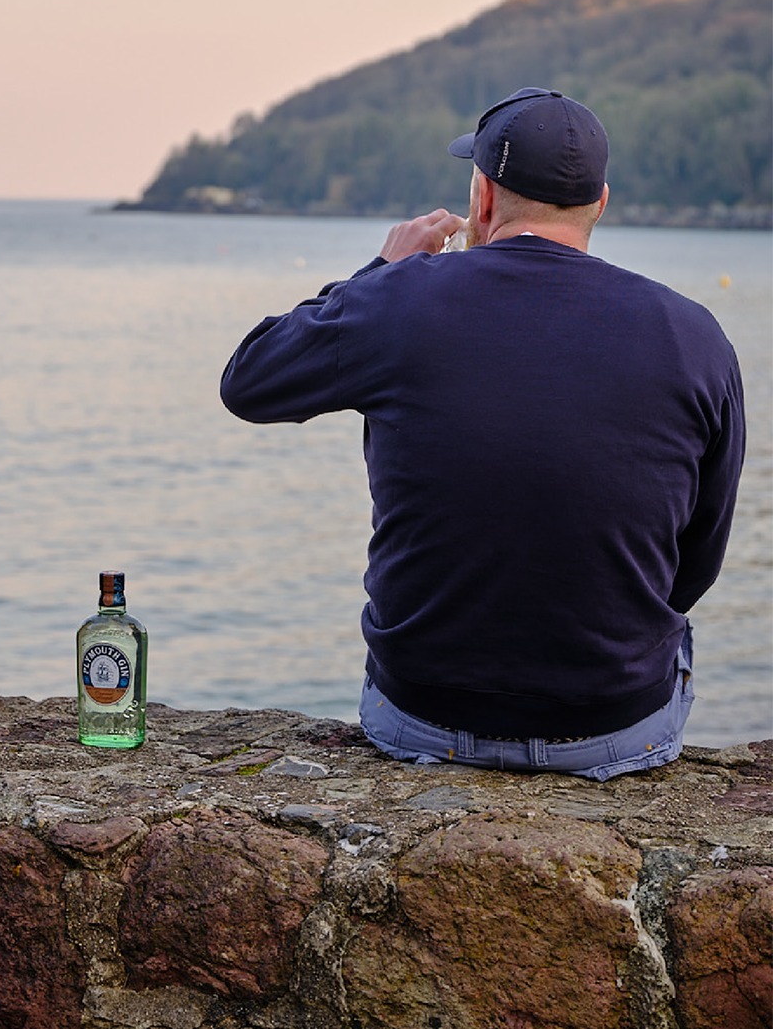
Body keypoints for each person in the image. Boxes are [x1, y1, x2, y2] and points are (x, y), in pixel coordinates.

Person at [220, 88, 745, 780]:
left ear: (485, 197)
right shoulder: (694, 335)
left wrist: (380, 273)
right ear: (600, 204)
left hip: (423, 715)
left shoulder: (399, 299)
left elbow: (250, 381)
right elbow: (697, 559)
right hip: (616, 726)